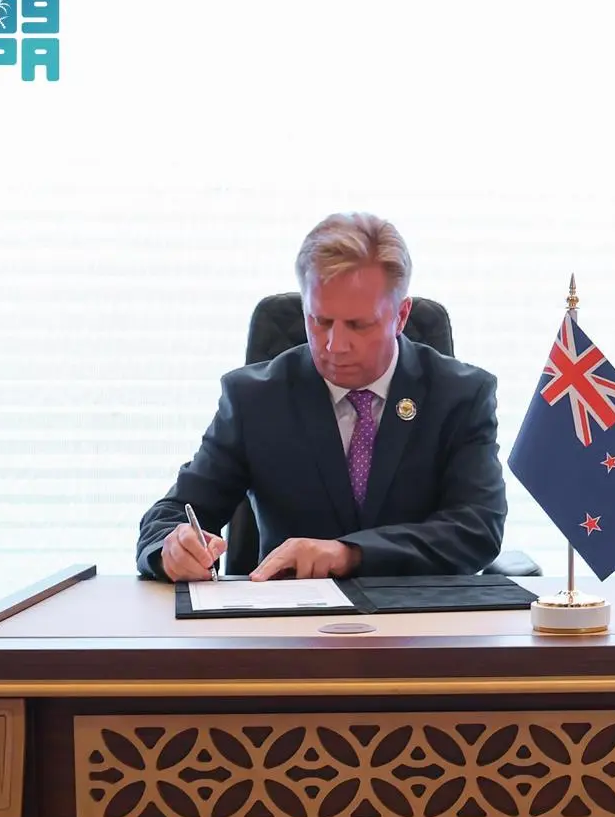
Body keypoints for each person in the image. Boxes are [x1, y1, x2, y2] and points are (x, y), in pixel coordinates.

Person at [136, 212, 506, 582]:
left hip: (423, 614)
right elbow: (173, 513)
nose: (335, 345)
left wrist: (350, 554)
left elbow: (476, 528)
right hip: (291, 613)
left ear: (401, 316)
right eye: (321, 321)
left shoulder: (460, 396)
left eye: (359, 325)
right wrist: (172, 548)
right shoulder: (255, 399)